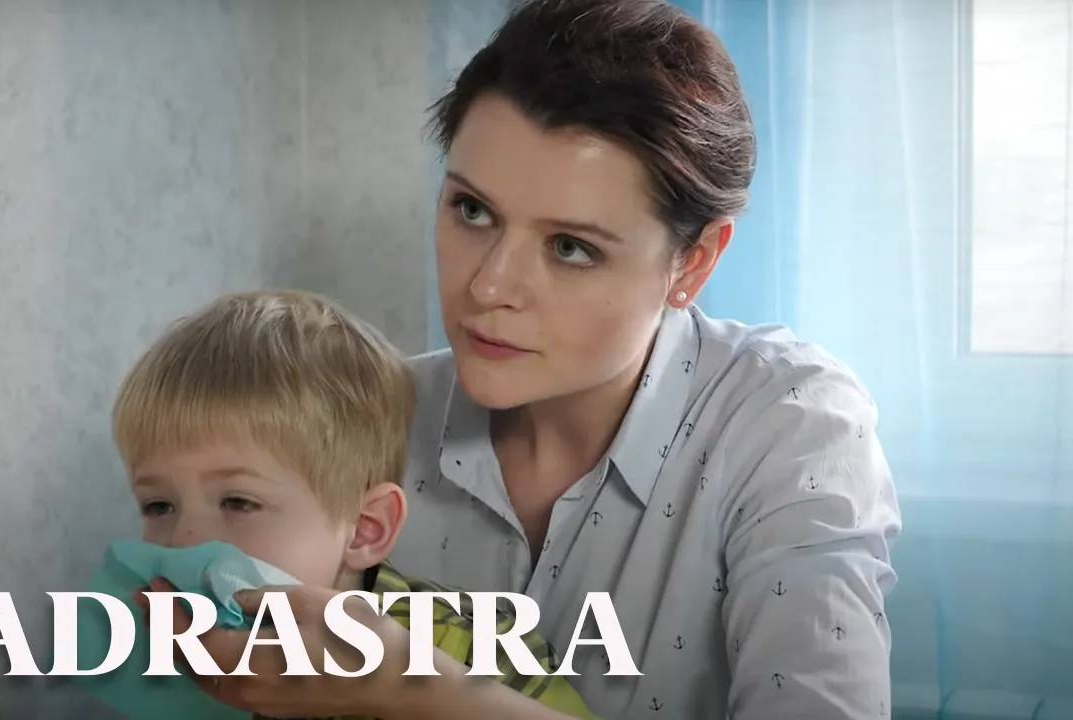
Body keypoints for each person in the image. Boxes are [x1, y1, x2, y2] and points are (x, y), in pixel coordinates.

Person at [142, 1, 902, 718]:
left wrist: (415, 687)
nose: (488, 287)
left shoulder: (790, 426)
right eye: (472, 210)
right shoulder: (362, 417)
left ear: (693, 263)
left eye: (570, 247)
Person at [116, 289, 599, 719]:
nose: (185, 541)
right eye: (159, 506)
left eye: (238, 502)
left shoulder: (474, 649)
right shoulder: (172, 657)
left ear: (366, 528)